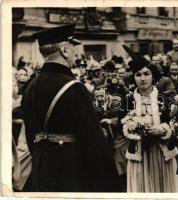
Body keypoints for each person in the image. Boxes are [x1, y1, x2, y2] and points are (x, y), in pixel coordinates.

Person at [21, 24, 120, 192]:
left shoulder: (31, 86)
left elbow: (31, 136)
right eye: (74, 46)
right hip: (70, 172)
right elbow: (93, 142)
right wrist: (110, 183)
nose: (76, 52)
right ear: (65, 50)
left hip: (41, 170)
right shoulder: (74, 87)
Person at [122, 45, 178, 192]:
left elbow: (174, 124)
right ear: (133, 77)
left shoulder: (165, 97)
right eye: (138, 75)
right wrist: (133, 128)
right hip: (139, 152)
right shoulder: (128, 99)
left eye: (146, 74)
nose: (142, 78)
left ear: (153, 76)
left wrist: (163, 130)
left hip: (161, 151)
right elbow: (122, 123)